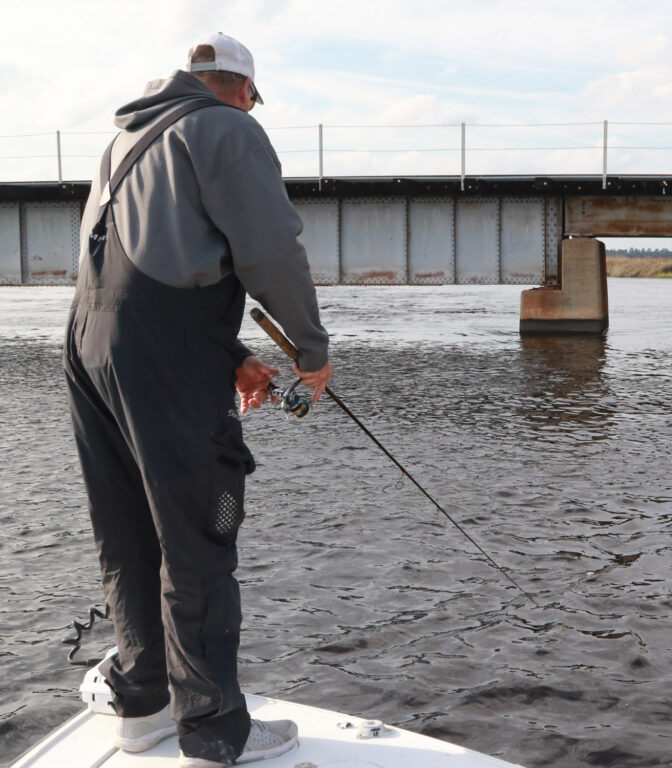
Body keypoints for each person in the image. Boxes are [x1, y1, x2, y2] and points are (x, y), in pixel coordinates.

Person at [62, 33, 331, 767]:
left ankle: (143, 705)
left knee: (127, 532)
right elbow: (271, 249)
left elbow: (140, 278)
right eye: (252, 97)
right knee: (199, 538)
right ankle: (214, 731)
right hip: (161, 359)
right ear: (241, 89)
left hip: (89, 346)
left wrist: (234, 354)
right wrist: (311, 353)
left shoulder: (124, 139)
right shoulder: (227, 128)